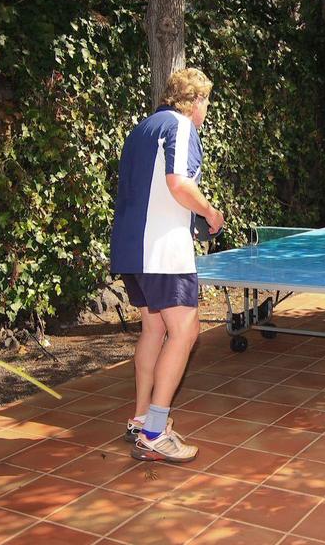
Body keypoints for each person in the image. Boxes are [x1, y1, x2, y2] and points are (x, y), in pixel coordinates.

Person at [109, 68, 224, 463]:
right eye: (206, 102)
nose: (206, 110)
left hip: (131, 249)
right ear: (196, 100)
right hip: (162, 250)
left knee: (154, 329)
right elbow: (178, 183)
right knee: (185, 331)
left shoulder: (141, 129)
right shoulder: (181, 125)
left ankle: (140, 418)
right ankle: (155, 432)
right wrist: (210, 212)